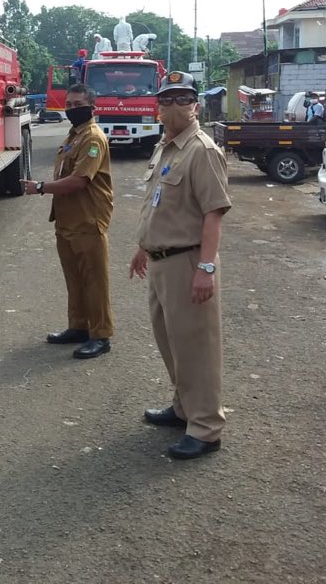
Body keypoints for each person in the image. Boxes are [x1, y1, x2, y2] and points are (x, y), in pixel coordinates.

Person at [129, 70, 231, 461]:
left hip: (187, 261)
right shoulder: (166, 147)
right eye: (166, 99)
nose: (174, 106)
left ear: (196, 106)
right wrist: (143, 247)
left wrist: (206, 269)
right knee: (171, 342)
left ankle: (206, 427)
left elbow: (213, 214)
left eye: (183, 99)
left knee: (196, 348)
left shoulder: (202, 151)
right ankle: (184, 407)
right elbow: (158, 204)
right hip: (160, 262)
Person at [23, 83, 115, 360]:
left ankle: (100, 335)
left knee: (94, 281)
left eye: (78, 105)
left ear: (92, 107)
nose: (72, 109)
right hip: (67, 220)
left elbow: (78, 181)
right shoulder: (73, 135)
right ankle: (79, 327)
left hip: (88, 219)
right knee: (74, 278)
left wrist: (41, 187)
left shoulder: (93, 139)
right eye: (69, 104)